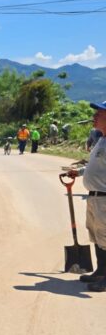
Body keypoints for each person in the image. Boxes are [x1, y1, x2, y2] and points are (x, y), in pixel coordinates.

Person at [67, 100, 106, 291]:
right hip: (95, 198)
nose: (94, 116)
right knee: (97, 236)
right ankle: (100, 272)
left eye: (99, 113)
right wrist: (81, 171)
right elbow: (98, 166)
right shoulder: (101, 139)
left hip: (105, 199)